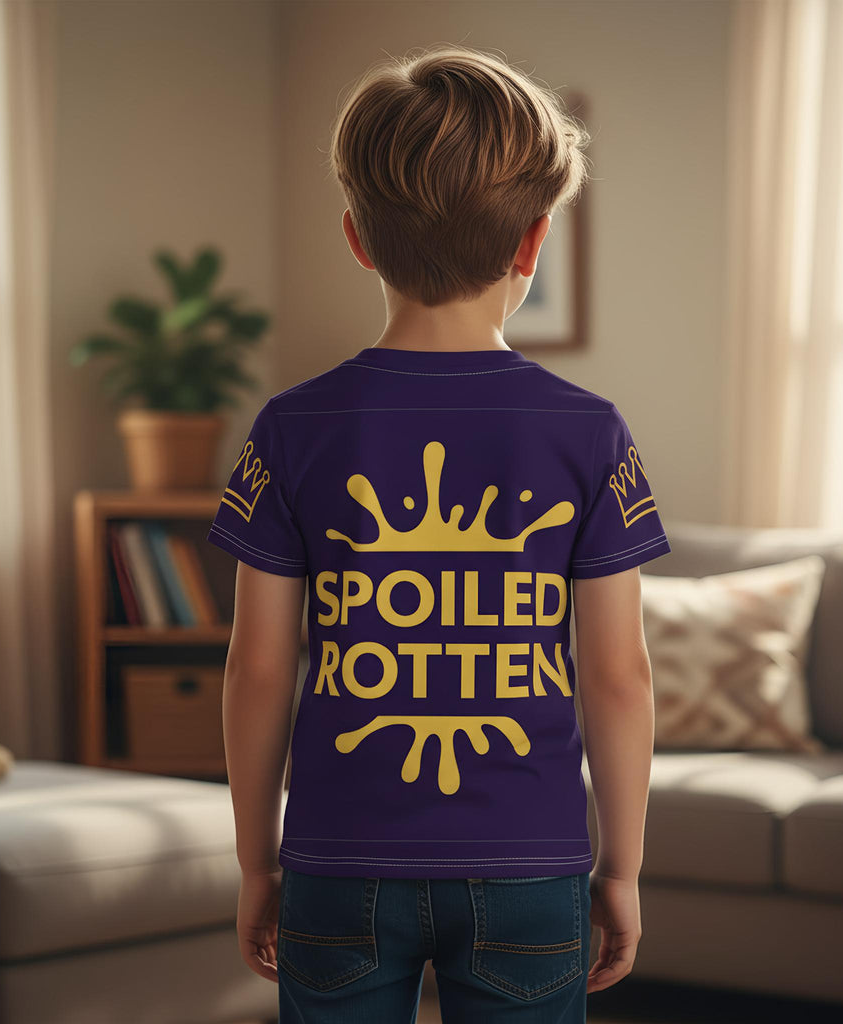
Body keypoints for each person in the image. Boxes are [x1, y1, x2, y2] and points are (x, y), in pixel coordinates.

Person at [206, 43, 670, 1024]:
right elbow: (618, 676)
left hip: (338, 863)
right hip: (528, 869)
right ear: (532, 243)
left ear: (356, 239)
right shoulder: (589, 431)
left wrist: (256, 859)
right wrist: (621, 868)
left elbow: (255, 670)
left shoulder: (293, 429)